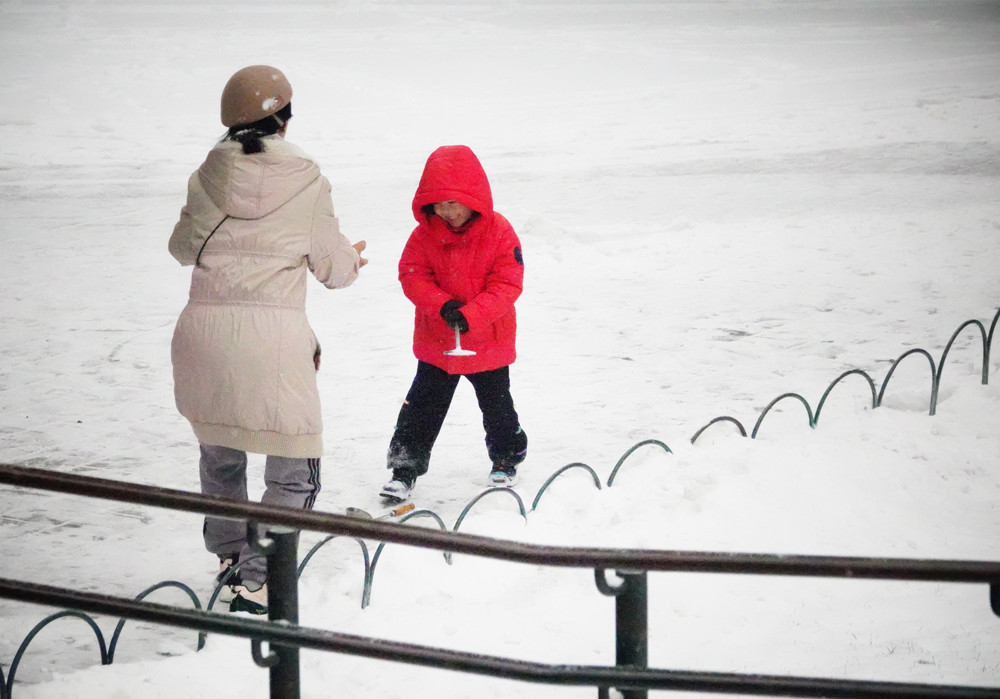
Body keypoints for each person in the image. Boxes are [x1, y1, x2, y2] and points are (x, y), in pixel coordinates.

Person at [169, 65, 367, 614]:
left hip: (203, 337)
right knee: (293, 467)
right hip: (271, 345)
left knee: (221, 454)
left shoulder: (205, 175)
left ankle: (232, 556)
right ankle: (257, 581)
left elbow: (183, 248)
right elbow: (334, 269)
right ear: (283, 121)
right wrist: (353, 257)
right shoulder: (307, 181)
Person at [381, 145, 527, 503]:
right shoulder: (423, 235)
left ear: (474, 198)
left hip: (487, 340)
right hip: (438, 341)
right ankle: (404, 469)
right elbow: (411, 274)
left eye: (453, 202)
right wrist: (442, 305)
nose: (445, 212)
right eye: (438, 204)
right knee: (421, 406)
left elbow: (508, 282)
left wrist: (472, 314)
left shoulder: (500, 231)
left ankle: (506, 458)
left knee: (497, 405)